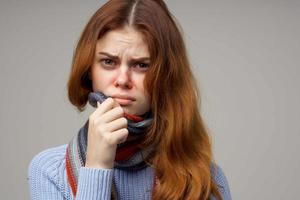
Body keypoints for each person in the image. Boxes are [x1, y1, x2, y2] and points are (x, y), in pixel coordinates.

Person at [28, 0, 232, 199]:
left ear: (166, 76)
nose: (123, 80)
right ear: (89, 70)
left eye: (141, 65)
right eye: (108, 62)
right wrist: (97, 165)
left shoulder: (204, 179)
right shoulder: (50, 171)